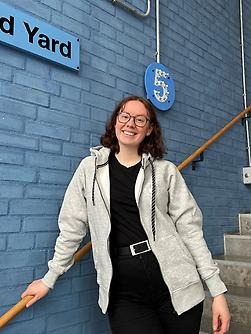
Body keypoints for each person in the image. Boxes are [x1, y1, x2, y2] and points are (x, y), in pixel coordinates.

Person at [22, 95, 230, 334]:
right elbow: (72, 227)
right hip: (124, 294)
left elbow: (191, 231)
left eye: (140, 120)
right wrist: (50, 278)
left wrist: (217, 292)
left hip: (177, 286)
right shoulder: (89, 170)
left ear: (150, 129)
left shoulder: (165, 172)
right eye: (125, 116)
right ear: (115, 122)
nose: (131, 124)